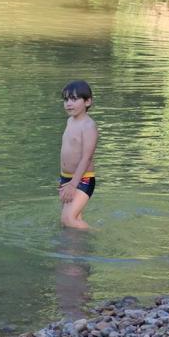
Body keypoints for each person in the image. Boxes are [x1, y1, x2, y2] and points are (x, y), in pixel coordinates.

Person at [59, 80, 99, 230]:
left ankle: (97, 234)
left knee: (68, 219)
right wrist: (64, 181)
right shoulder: (70, 121)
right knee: (71, 220)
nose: (69, 103)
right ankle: (76, 249)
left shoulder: (88, 126)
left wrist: (73, 184)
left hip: (83, 179)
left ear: (87, 101)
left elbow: (86, 157)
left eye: (74, 99)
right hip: (66, 177)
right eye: (66, 99)